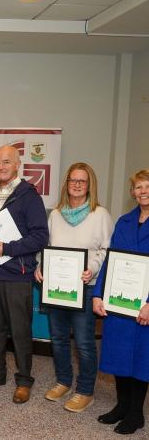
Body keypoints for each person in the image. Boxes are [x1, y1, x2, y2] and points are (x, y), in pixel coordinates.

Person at [0, 145, 49, 404]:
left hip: (17, 273)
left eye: (7, 162)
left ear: (17, 165)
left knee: (20, 329)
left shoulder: (29, 195)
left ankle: (24, 380)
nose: (1, 167)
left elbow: (40, 236)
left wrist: (8, 248)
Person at [34, 163, 112, 412]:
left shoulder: (100, 214)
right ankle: (64, 381)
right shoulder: (55, 215)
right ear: (66, 183)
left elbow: (107, 251)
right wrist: (40, 266)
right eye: (72, 180)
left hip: (85, 286)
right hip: (57, 287)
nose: (77, 185)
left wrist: (93, 268)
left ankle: (85, 390)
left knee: (84, 342)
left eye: (82, 181)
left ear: (90, 185)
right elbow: (46, 246)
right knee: (57, 339)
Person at [92, 169, 149, 435]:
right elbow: (110, 261)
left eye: (147, 186)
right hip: (118, 302)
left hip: (143, 306)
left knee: (140, 360)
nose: (143, 191)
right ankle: (122, 406)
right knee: (118, 355)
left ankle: (136, 413)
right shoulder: (124, 221)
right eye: (138, 187)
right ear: (132, 192)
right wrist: (98, 294)